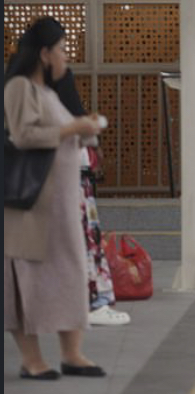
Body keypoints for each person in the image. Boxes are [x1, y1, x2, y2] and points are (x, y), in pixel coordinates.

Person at [4, 16, 108, 380]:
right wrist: (74, 128)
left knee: (70, 272)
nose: (67, 56)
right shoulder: (19, 88)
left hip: (61, 203)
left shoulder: (49, 92)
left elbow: (63, 133)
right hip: (31, 204)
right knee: (25, 280)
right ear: (45, 53)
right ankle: (32, 360)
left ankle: (72, 353)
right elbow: (23, 135)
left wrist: (84, 130)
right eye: (62, 49)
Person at [53, 70, 129, 327]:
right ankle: (93, 300)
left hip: (66, 178)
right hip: (72, 179)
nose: (65, 55)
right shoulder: (55, 93)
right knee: (84, 239)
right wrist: (89, 129)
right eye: (61, 49)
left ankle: (81, 301)